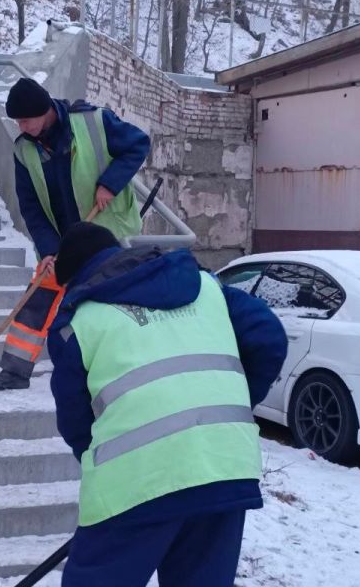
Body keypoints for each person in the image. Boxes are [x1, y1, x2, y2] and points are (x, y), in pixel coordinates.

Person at [47, 222, 288, 587]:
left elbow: (76, 423)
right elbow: (269, 338)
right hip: (223, 468)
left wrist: (107, 461)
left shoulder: (78, 324)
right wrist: (222, 407)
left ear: (75, 277)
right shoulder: (206, 287)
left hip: (134, 483)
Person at [0, 77, 150, 391]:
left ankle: (126, 367)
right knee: (39, 297)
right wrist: (48, 250)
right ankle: (14, 371)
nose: (21, 127)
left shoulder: (94, 122)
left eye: (26, 120)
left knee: (112, 302)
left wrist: (110, 183)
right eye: (17, 121)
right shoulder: (23, 150)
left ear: (44, 111)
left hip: (104, 235)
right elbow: (30, 207)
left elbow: (138, 144)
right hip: (62, 241)